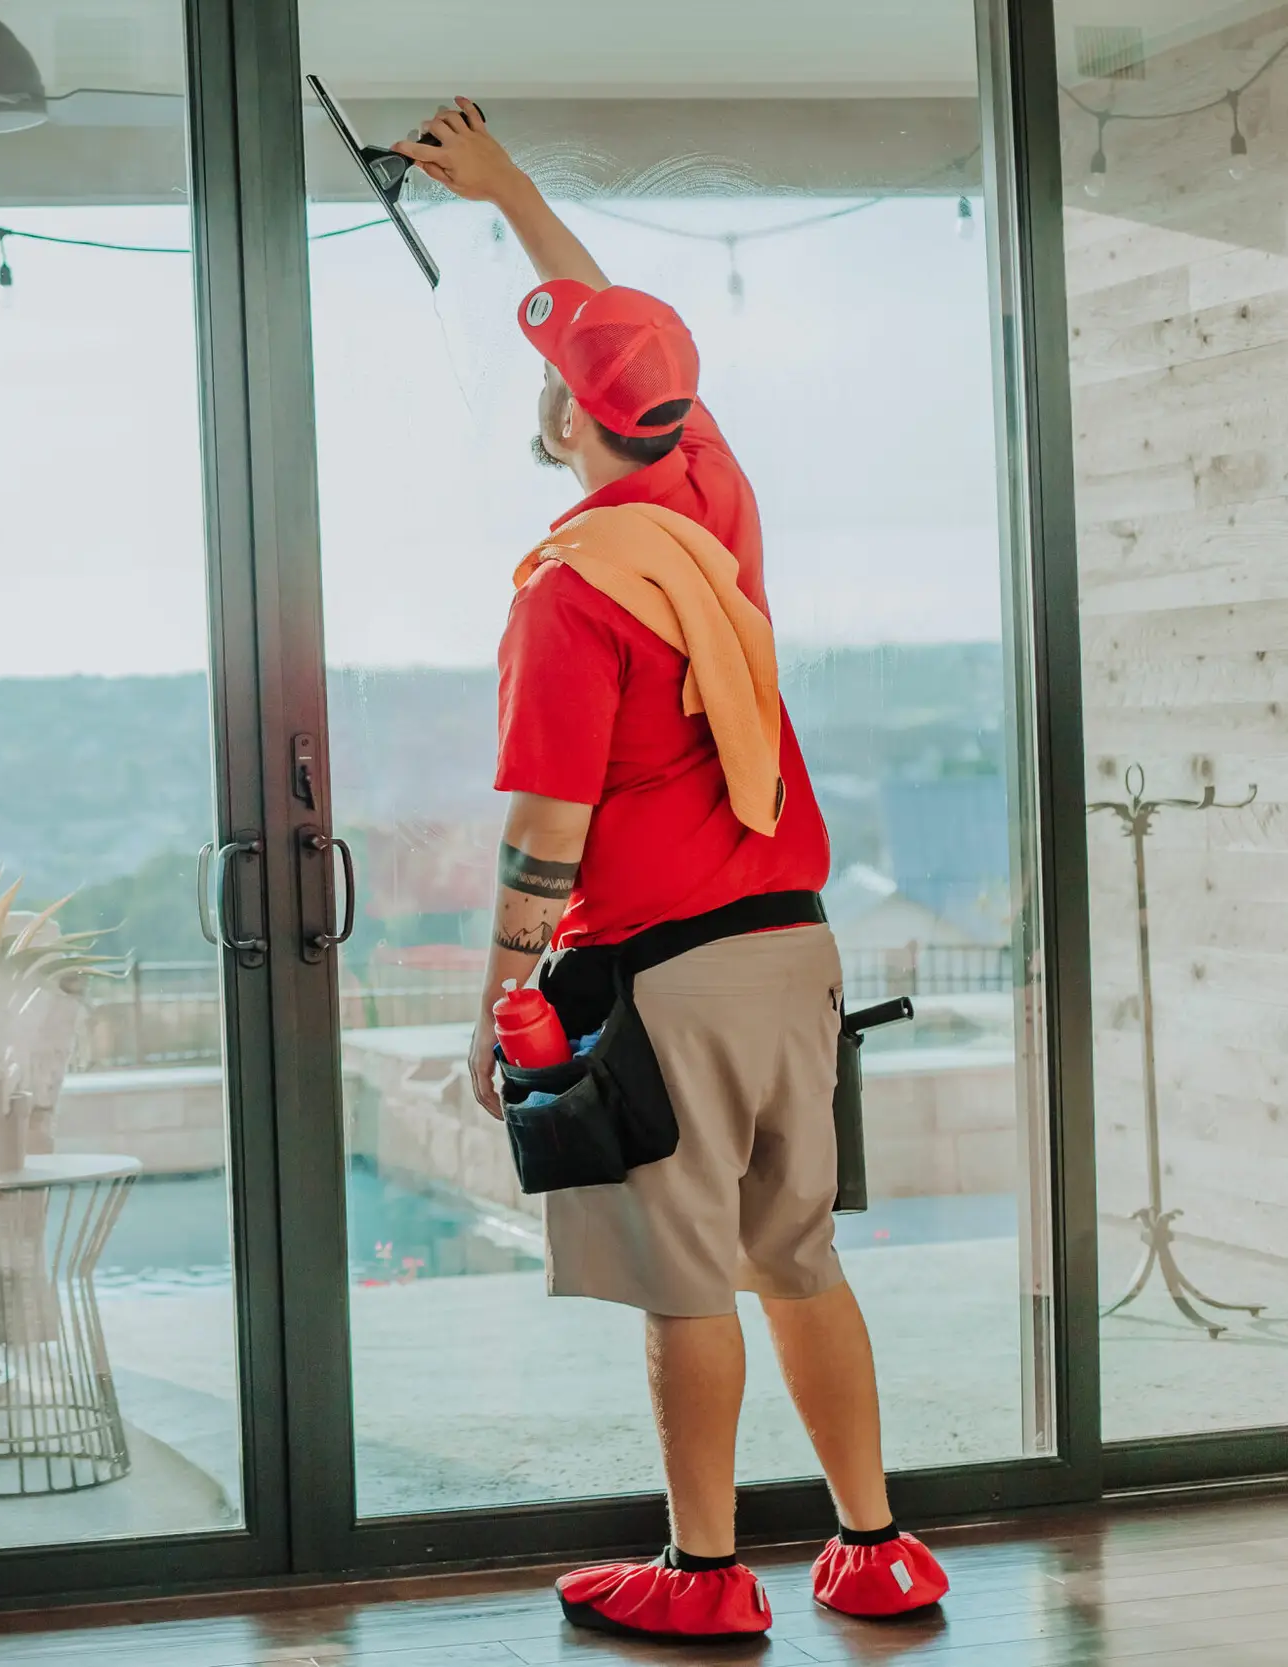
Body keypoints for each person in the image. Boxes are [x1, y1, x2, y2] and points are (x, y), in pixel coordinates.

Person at [390, 101, 952, 1641]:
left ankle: (705, 1577)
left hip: (667, 973)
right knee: (798, 1253)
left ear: (569, 418)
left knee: (686, 1275)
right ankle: (877, 1545)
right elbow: (614, 333)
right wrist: (506, 190)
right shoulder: (708, 496)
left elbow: (547, 829)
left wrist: (499, 991)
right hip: (795, 945)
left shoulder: (571, 593)